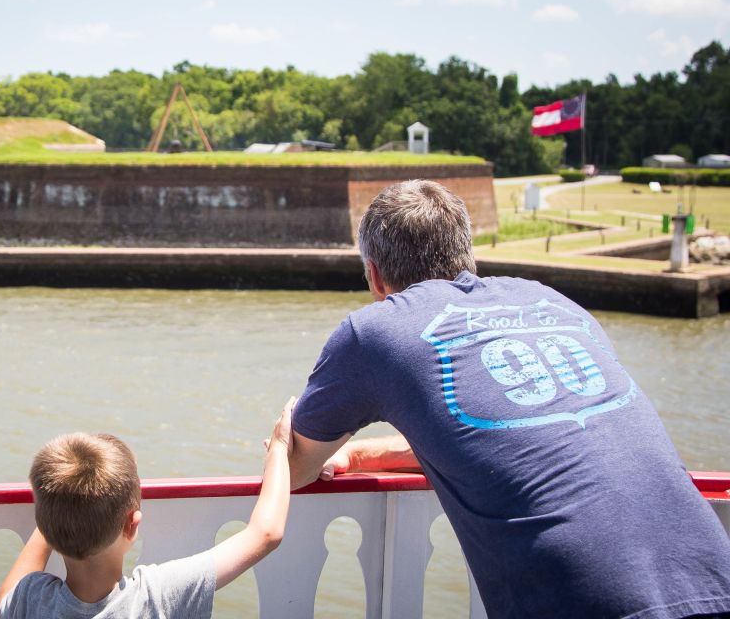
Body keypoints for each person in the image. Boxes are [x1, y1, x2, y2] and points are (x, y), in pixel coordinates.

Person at [288, 180, 730, 618]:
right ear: (467, 257)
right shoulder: (554, 303)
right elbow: (518, 432)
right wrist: (362, 455)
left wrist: (287, 435)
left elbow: (296, 467)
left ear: (375, 274)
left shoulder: (375, 331)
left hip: (586, 602)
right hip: (715, 579)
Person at [0, 398, 294, 618]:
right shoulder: (158, 595)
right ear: (132, 524)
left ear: (46, 525)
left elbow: (4, 598)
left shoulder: (31, 602)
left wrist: (59, 510)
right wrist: (279, 449)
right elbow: (265, 533)